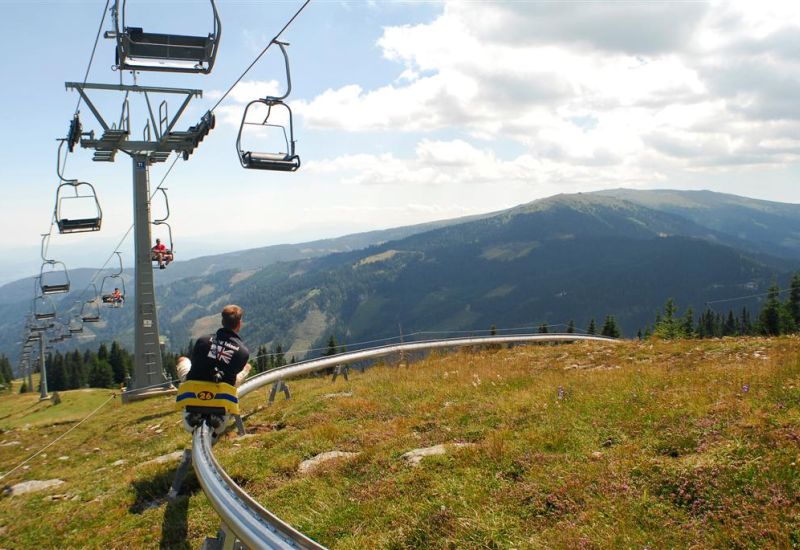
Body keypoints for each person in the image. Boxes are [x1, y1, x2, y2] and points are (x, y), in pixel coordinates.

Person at [182, 305, 251, 437]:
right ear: (239, 324)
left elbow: (197, 361)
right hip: (222, 394)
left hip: (193, 390)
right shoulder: (243, 352)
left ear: (222, 322)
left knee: (182, 360)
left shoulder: (202, 341)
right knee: (246, 368)